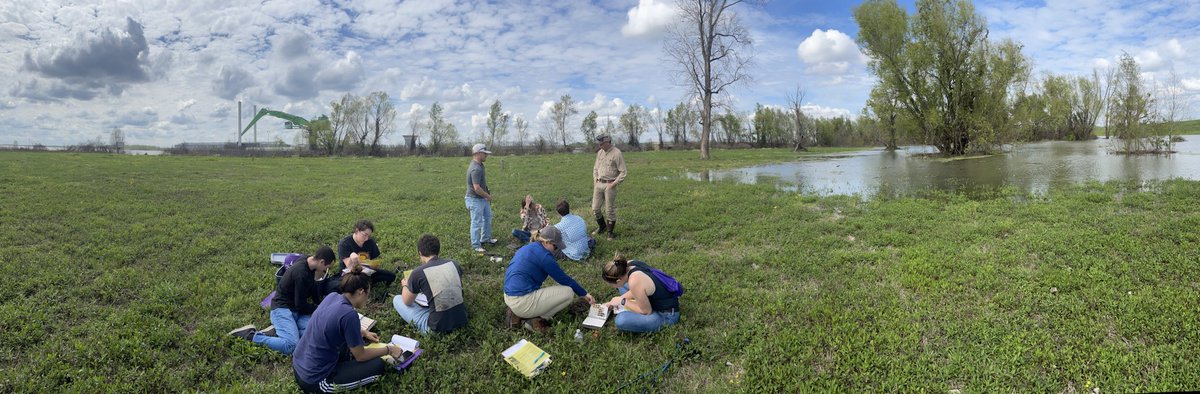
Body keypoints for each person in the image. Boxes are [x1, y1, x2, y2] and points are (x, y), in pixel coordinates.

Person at [292, 267, 405, 393]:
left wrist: (363, 332)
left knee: (348, 347)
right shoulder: (349, 315)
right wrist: (389, 349)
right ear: (361, 292)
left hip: (299, 364)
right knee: (378, 365)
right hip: (315, 380)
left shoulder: (332, 296)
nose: (367, 299)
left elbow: (331, 325)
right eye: (368, 293)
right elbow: (361, 356)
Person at [229, 246, 336, 355]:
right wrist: (318, 309)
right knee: (291, 346)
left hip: (296, 311)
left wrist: (319, 304)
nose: (326, 271)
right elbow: (301, 305)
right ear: (322, 262)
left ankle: (278, 332)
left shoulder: (309, 263)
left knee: (317, 333)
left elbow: (312, 290)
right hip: (282, 309)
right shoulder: (301, 274)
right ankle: (250, 335)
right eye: (327, 267)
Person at [502, 226, 595, 333]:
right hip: (522, 301)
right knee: (568, 293)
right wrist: (584, 294)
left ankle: (518, 313)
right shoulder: (545, 257)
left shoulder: (528, 247)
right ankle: (536, 320)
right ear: (547, 242)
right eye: (556, 247)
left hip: (509, 296)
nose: (557, 250)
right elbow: (564, 279)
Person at [393, 234, 468, 334]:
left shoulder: (418, 272)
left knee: (397, 299)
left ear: (420, 253)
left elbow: (407, 302)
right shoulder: (454, 263)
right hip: (462, 319)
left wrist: (405, 285)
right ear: (438, 250)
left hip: (436, 328)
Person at [601, 255, 681, 333]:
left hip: (666, 315)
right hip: (655, 298)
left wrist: (622, 301)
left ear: (618, 280)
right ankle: (633, 305)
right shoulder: (629, 264)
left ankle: (630, 308)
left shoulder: (634, 281)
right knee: (623, 285)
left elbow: (646, 311)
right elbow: (638, 287)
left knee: (620, 320)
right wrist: (615, 301)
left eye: (610, 284)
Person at [329, 220, 396, 296]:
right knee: (341, 286)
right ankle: (363, 285)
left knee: (391, 276)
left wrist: (373, 265)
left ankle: (364, 284)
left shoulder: (370, 242)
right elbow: (349, 266)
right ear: (357, 231)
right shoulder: (344, 243)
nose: (367, 238)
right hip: (351, 273)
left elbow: (373, 261)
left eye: (369, 236)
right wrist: (351, 257)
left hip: (366, 271)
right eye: (365, 235)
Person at [592, 134, 627, 239]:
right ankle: (602, 227)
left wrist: (614, 183)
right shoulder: (600, 152)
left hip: (610, 185)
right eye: (599, 143)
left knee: (609, 210)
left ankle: (610, 232)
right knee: (595, 208)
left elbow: (623, 172)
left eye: (602, 143)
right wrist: (595, 179)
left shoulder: (617, 153)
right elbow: (595, 168)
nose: (600, 145)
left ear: (608, 142)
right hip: (599, 183)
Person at [465, 143, 496, 253]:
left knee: (487, 217)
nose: (486, 156)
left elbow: (481, 184)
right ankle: (476, 246)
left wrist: (486, 194)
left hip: (481, 199)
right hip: (474, 200)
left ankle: (485, 239)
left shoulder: (480, 165)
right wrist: (488, 196)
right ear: (478, 153)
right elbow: (477, 188)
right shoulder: (476, 169)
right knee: (476, 222)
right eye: (484, 153)